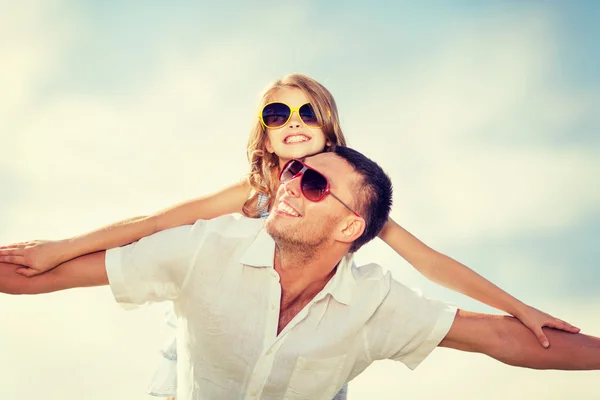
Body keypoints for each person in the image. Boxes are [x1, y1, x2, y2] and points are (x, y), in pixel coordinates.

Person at [0, 75, 579, 399]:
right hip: (217, 319)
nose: (294, 123)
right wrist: (61, 247)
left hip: (309, 342)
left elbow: (431, 264)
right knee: (180, 363)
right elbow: (153, 225)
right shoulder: (252, 192)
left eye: (308, 112)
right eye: (277, 114)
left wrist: (519, 308)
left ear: (329, 127)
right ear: (265, 136)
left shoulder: (351, 193)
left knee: (323, 380)